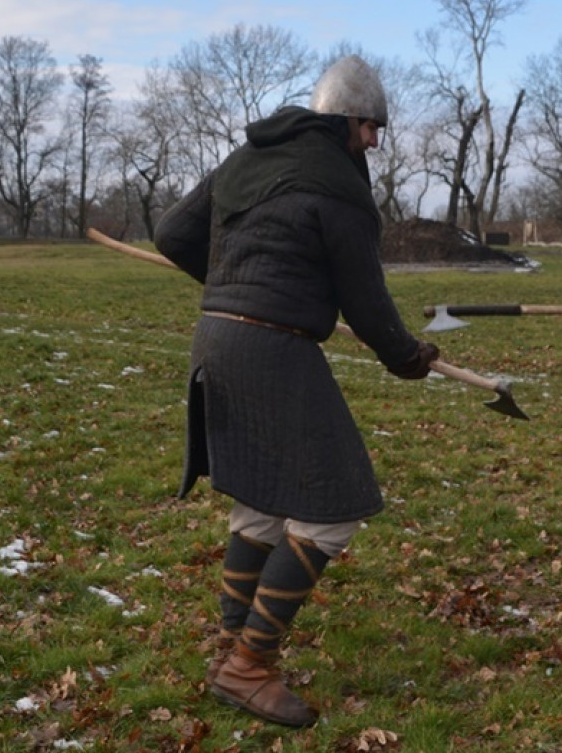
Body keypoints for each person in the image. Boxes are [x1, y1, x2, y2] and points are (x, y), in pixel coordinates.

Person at [153, 54, 439, 727]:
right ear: (344, 120)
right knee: (334, 508)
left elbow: (171, 234)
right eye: (370, 127)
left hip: (216, 341)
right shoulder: (338, 186)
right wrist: (408, 357)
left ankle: (229, 649)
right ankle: (250, 666)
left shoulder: (247, 158)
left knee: (261, 503)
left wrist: (236, 289)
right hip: (270, 352)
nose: (375, 141)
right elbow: (367, 304)